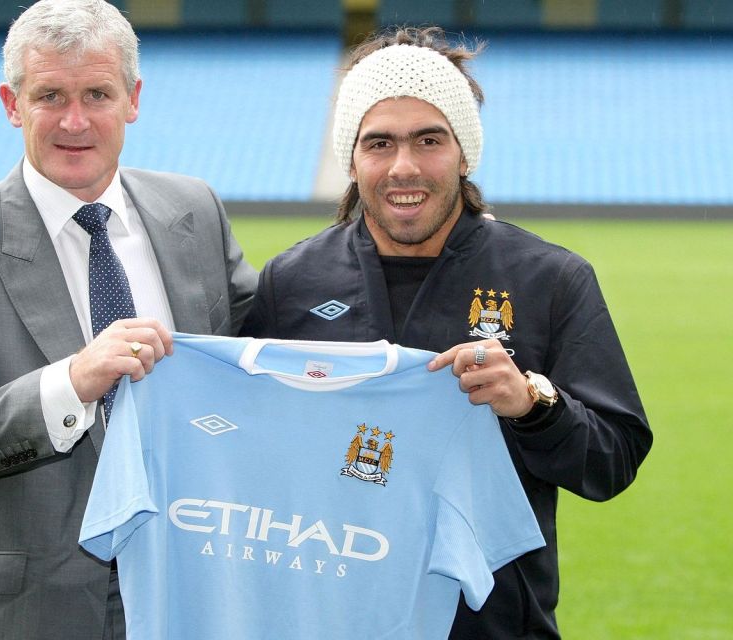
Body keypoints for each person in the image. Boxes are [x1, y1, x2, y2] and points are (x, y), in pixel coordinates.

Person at [241, 26, 652, 639]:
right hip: (331, 618)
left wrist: (533, 404)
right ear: (350, 159)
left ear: (464, 152)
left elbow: (612, 461)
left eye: (427, 140)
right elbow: (250, 455)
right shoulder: (291, 282)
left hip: (493, 625)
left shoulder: (550, 279)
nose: (403, 167)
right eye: (378, 143)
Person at [0, 1, 256, 638]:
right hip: (25, 611)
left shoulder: (192, 210)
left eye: (98, 94)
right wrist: (73, 383)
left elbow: (267, 355)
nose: (75, 120)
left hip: (186, 591)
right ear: (12, 104)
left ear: (132, 99)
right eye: (50, 95)